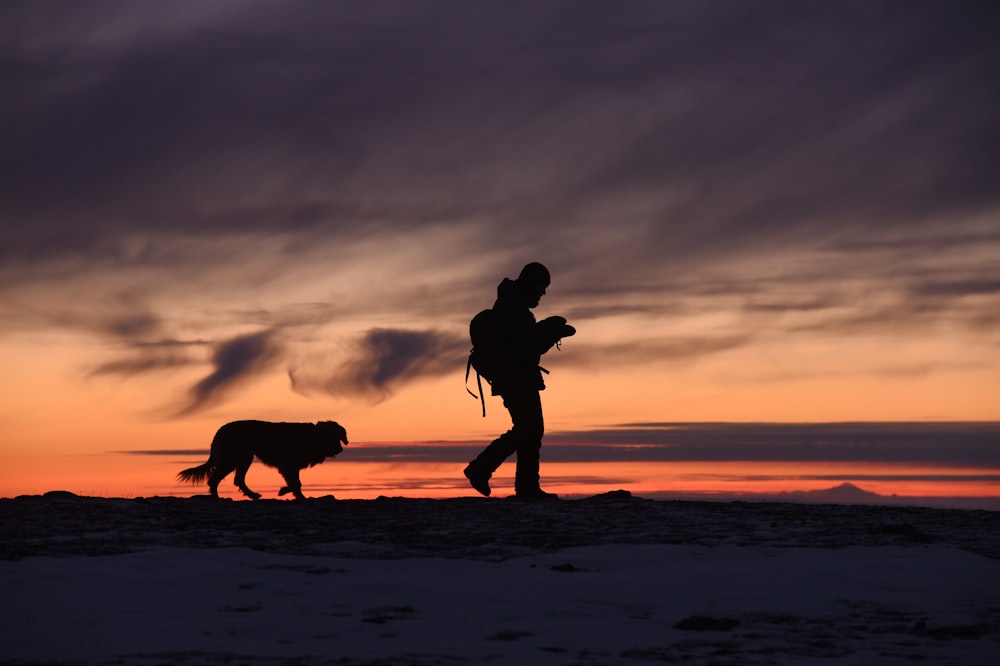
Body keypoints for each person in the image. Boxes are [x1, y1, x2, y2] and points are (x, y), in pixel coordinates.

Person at [463, 262, 575, 499]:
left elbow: (527, 346)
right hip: (514, 376)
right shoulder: (511, 307)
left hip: (516, 375)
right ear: (531, 283)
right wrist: (550, 329)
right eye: (542, 287)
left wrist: (550, 331)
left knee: (530, 430)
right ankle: (481, 468)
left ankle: (526, 488)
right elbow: (525, 347)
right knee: (529, 429)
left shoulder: (513, 305)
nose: (543, 293)